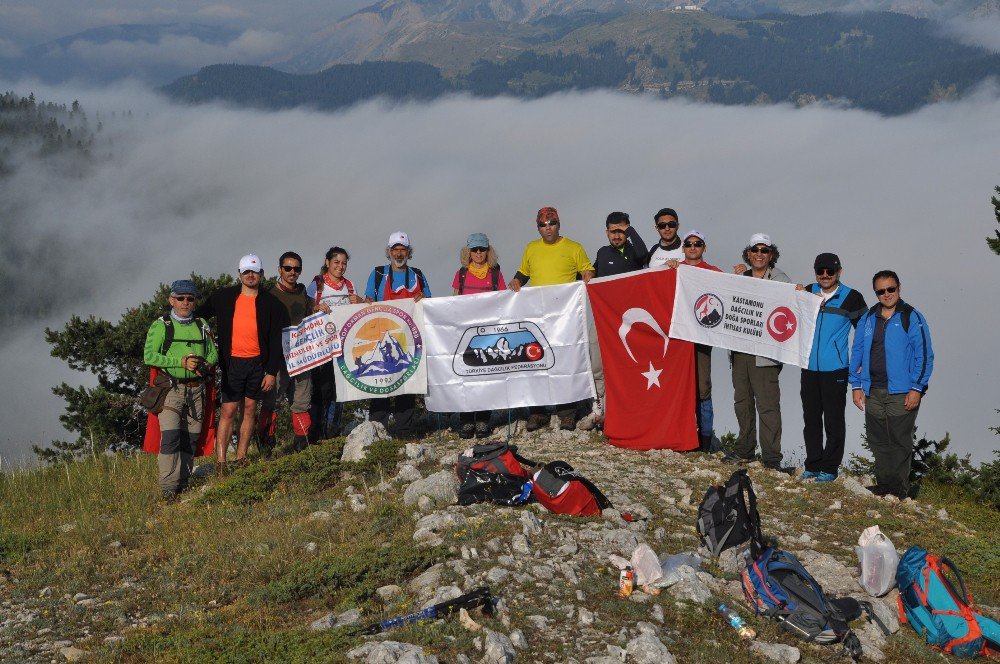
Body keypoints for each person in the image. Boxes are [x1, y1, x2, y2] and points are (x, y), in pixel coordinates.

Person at [195, 254, 287, 471]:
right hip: (232, 363)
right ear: (239, 274)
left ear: (262, 274)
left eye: (254, 271)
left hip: (258, 364)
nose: (250, 275)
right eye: (246, 271)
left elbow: (277, 341)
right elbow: (198, 318)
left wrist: (271, 371)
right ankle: (220, 462)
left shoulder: (272, 304)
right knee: (228, 410)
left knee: (249, 409)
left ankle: (241, 458)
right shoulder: (223, 298)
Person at [510, 206, 595, 431]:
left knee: (565, 359)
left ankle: (567, 412)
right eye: (543, 225)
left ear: (559, 224)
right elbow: (523, 274)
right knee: (536, 359)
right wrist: (516, 281)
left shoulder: (574, 247)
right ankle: (538, 412)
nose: (548, 228)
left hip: (564, 317)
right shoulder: (531, 248)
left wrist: (588, 274)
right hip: (537, 316)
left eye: (552, 223)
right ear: (538, 227)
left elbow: (587, 270)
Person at [850, 270, 934, 498]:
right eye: (881, 291)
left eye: (890, 289)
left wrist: (917, 388)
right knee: (878, 440)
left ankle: (899, 490)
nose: (886, 294)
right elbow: (857, 352)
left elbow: (924, 356)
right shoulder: (868, 319)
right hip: (872, 390)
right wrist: (856, 386)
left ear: (899, 287)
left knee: (899, 441)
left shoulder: (911, 317)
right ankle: (884, 485)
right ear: (876, 293)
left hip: (902, 391)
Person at [143, 279, 218, 499]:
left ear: (195, 301)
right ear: (171, 300)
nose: (185, 302)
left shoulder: (202, 324)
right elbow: (149, 356)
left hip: (197, 390)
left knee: (190, 438)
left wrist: (205, 362)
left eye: (190, 299)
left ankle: (183, 483)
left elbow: (213, 352)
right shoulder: (160, 326)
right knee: (170, 438)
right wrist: (181, 362)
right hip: (171, 389)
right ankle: (168, 489)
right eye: (180, 298)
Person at [796, 253, 868, 482]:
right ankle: (813, 465)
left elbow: (865, 332)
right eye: (820, 271)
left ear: (839, 271)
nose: (825, 276)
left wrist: (859, 365)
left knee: (834, 420)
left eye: (830, 271)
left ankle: (830, 467)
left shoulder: (852, 297)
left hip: (835, 368)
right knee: (811, 419)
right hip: (808, 367)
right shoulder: (806, 291)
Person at [726, 234, 790, 469]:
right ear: (749, 253)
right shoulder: (741, 277)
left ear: (771, 254)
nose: (760, 254)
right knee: (742, 401)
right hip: (740, 351)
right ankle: (745, 450)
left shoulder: (781, 280)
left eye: (764, 250)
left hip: (765, 354)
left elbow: (790, 306)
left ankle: (772, 457)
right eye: (755, 250)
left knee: (768, 405)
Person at [362, 232, 432, 438]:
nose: (399, 253)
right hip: (381, 336)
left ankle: (404, 431)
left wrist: (423, 298)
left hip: (410, 339)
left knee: (407, 383)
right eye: (395, 249)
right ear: (389, 251)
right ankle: (377, 430)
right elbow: (368, 301)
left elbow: (428, 299)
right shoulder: (377, 274)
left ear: (409, 252)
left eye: (403, 249)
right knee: (380, 382)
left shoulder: (418, 274)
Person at [669, 229, 722, 451]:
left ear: (704, 247)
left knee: (702, 389)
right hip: (677, 338)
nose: (693, 247)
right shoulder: (674, 269)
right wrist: (666, 269)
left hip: (701, 338)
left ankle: (705, 439)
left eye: (697, 244)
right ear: (683, 248)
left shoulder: (713, 271)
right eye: (689, 244)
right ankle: (680, 435)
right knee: (678, 386)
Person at [258, 252, 314, 453]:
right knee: (271, 402)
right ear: (280, 269)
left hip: (302, 358)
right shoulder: (268, 296)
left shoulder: (304, 294)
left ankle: (302, 444)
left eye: (296, 269)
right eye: (288, 268)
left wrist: (319, 309)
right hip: (277, 360)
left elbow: (312, 317)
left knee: (301, 401)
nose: (292, 272)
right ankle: (265, 442)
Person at [452, 232, 507, 438]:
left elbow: (501, 299)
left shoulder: (495, 273)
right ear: (468, 251)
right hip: (466, 332)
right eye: (474, 249)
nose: (478, 253)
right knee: (466, 375)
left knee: (485, 375)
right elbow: (455, 301)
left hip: (488, 333)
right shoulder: (462, 273)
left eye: (481, 249)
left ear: (488, 251)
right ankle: (466, 420)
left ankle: (483, 420)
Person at [305, 246, 361, 439]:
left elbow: (358, 314)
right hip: (322, 347)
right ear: (327, 262)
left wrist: (360, 301)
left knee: (339, 391)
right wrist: (316, 307)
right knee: (321, 390)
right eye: (336, 262)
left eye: (344, 263)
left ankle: (333, 432)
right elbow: (307, 310)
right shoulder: (317, 284)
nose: (340, 266)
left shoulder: (350, 285)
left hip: (344, 347)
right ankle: (316, 433)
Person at [594, 211, 648, 277]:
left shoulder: (635, 251)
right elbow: (592, 272)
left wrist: (630, 230)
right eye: (613, 232)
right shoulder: (602, 252)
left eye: (621, 231)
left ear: (627, 232)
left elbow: (644, 256)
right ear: (607, 233)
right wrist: (590, 272)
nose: (617, 236)